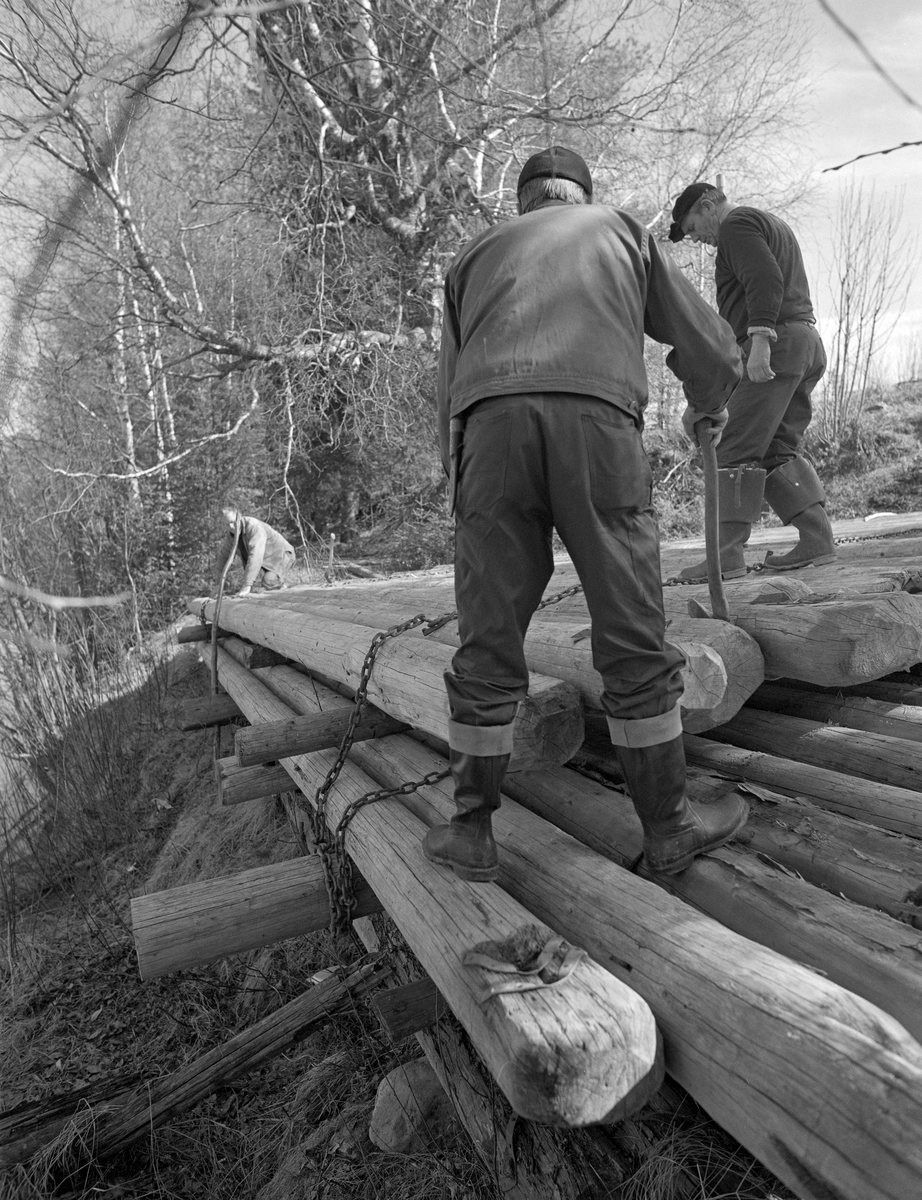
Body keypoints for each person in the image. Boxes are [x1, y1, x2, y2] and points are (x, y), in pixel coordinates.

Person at [424, 145, 750, 885]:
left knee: (489, 632)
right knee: (632, 625)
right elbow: (713, 348)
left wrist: (466, 484)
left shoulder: (473, 256)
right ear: (579, 194)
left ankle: (470, 828)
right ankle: (669, 826)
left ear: (526, 201)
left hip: (488, 433)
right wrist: (708, 405)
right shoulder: (618, 230)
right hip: (595, 428)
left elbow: (445, 396)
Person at [668, 182, 835, 581]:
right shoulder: (767, 221)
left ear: (708, 205)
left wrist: (759, 340)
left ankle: (725, 555)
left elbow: (765, 278)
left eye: (693, 228)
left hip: (775, 344)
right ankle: (817, 540)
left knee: (734, 445)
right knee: (777, 447)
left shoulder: (736, 224)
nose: (699, 239)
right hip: (804, 342)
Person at [215, 507, 296, 597]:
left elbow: (255, 556)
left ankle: (285, 593)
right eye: (226, 524)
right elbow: (223, 557)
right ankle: (278, 586)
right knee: (260, 585)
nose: (231, 527)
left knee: (269, 581)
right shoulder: (231, 536)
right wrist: (218, 586)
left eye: (232, 522)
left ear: (239, 517)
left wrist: (247, 585)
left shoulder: (254, 527)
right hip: (267, 560)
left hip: (282, 554)